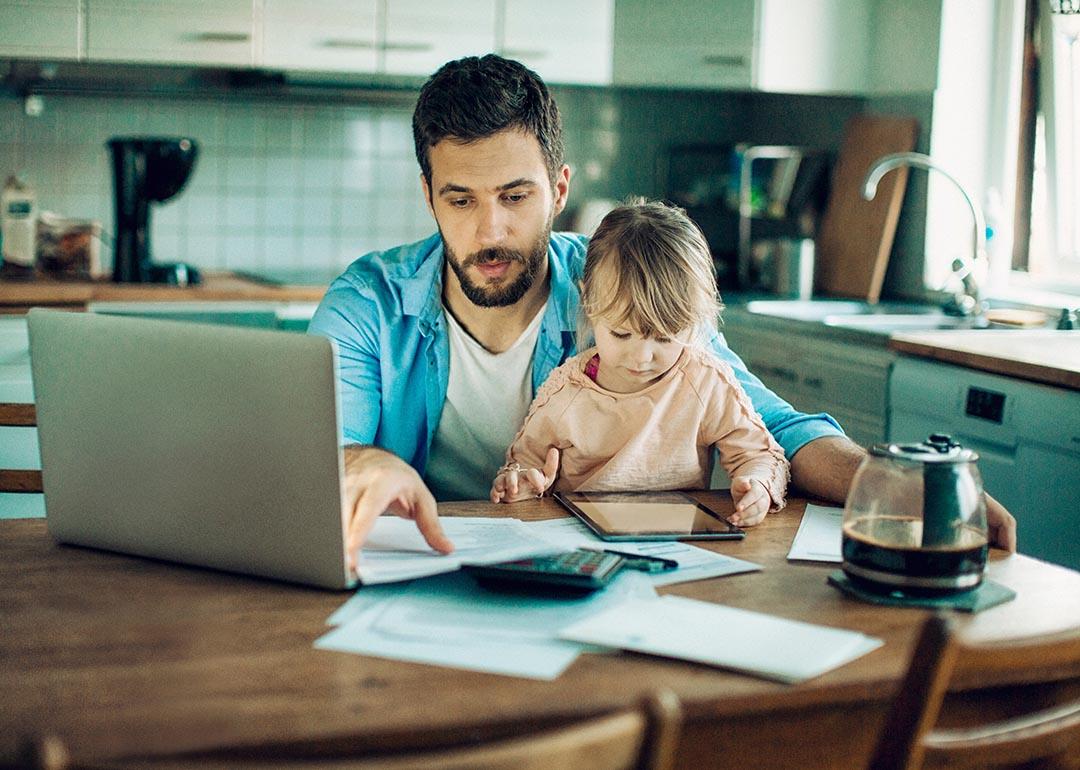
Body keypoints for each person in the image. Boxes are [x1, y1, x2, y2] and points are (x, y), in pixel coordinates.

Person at [307, 54, 1017, 563]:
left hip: (601, 581)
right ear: (428, 194)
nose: (490, 230)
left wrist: (896, 487)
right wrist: (362, 462)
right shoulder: (369, 301)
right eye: (460, 199)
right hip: (425, 570)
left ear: (558, 189)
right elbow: (322, 449)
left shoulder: (627, 282)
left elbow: (777, 427)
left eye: (515, 197)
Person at [491, 200, 788, 528]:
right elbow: (522, 464)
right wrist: (520, 484)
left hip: (676, 540)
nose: (642, 357)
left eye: (664, 338)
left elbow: (760, 455)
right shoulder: (566, 391)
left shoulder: (705, 382)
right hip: (579, 537)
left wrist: (757, 485)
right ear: (588, 302)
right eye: (621, 334)